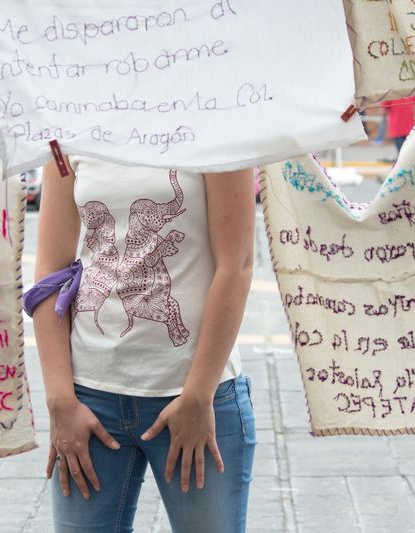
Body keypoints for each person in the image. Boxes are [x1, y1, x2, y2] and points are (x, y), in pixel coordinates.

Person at [31, 155, 256, 533]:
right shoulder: (67, 131)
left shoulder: (217, 128)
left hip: (195, 398)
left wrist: (198, 395)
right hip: (89, 400)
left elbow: (237, 266)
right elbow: (50, 273)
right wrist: (59, 400)